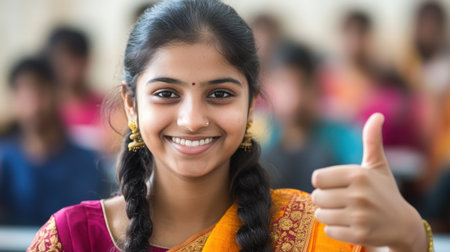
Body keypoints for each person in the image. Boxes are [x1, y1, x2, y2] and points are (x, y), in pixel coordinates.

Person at [28, 1, 431, 251]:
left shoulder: (306, 234)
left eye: (219, 94)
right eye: (166, 94)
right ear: (131, 105)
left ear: (253, 104)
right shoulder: (73, 239)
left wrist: (409, 238)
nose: (192, 119)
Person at [0, 58, 108, 226]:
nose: (32, 104)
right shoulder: (5, 161)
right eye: (22, 93)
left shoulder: (88, 162)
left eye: (39, 91)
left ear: (57, 93)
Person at [262, 41, 363, 193]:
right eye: (283, 83)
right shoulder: (255, 139)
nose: (293, 97)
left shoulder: (343, 138)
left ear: (315, 87)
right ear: (267, 87)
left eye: (302, 84)